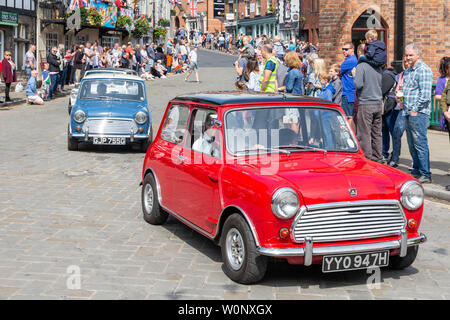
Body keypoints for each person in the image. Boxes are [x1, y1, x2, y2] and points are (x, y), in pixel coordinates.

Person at [402, 43, 433, 183]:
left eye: (410, 55)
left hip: (419, 113)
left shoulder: (424, 70)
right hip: (407, 111)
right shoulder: (408, 71)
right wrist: (400, 98)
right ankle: (416, 169)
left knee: (420, 143)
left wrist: (415, 109)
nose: (407, 57)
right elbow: (408, 90)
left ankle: (425, 173)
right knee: (411, 143)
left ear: (418, 55)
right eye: (406, 55)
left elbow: (425, 95)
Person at [353, 43, 383, 162]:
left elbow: (358, 84)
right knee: (376, 133)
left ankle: (367, 159)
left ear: (360, 53)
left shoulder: (361, 66)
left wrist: (354, 76)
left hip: (365, 103)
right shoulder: (378, 67)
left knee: (364, 133)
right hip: (377, 103)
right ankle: (378, 157)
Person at [380, 65, 399, 164]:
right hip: (387, 107)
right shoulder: (388, 74)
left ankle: (393, 155)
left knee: (391, 132)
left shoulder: (387, 76)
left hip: (389, 108)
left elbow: (381, 91)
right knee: (386, 131)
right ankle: (385, 153)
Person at [340, 42, 358, 130]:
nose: (344, 51)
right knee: (350, 117)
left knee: (349, 117)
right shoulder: (352, 60)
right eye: (343, 49)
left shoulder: (350, 61)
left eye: (346, 49)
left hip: (348, 93)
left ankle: (352, 139)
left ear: (352, 49)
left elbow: (337, 70)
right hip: (350, 92)